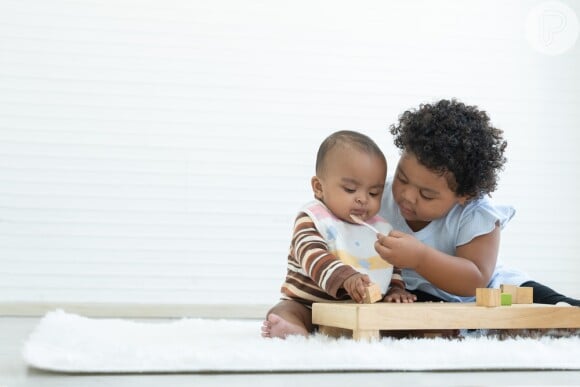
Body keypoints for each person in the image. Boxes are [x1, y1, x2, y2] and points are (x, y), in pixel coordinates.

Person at [374, 99, 579, 306]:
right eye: (402, 178)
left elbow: (475, 281)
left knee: (556, 308)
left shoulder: (475, 213)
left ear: (466, 194)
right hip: (416, 292)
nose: (407, 195)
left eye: (427, 195)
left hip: (491, 294)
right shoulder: (377, 197)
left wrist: (419, 258)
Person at [262, 130, 416, 339]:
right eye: (351, 189)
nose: (362, 199)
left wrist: (396, 290)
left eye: (373, 193)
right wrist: (347, 278)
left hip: (357, 310)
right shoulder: (313, 219)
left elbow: (391, 266)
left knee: (394, 319)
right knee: (287, 310)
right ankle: (290, 328)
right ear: (318, 187)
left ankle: (432, 330)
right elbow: (312, 255)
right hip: (310, 304)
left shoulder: (380, 228)